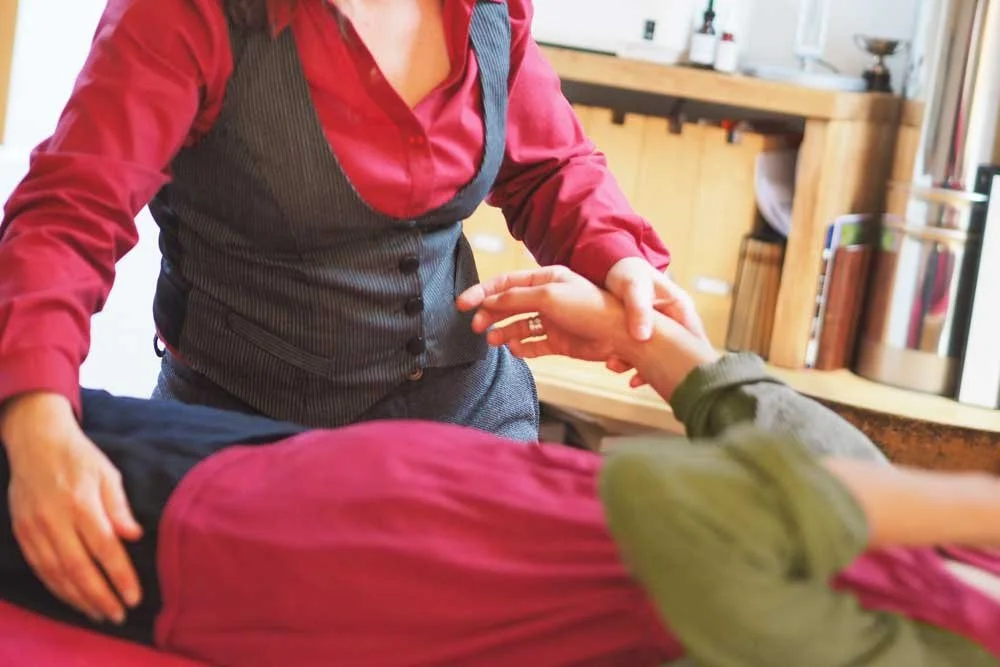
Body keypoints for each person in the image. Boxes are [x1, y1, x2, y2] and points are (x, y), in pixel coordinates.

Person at [0, 0, 706, 634]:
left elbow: (552, 167)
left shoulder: (490, 11)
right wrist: (35, 420)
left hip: (471, 432)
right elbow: (69, 217)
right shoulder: (186, 14)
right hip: (258, 454)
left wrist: (621, 260)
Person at [2, 266, 999, 666]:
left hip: (343, 573)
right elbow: (821, 459)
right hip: (371, 478)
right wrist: (649, 342)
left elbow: (673, 506)